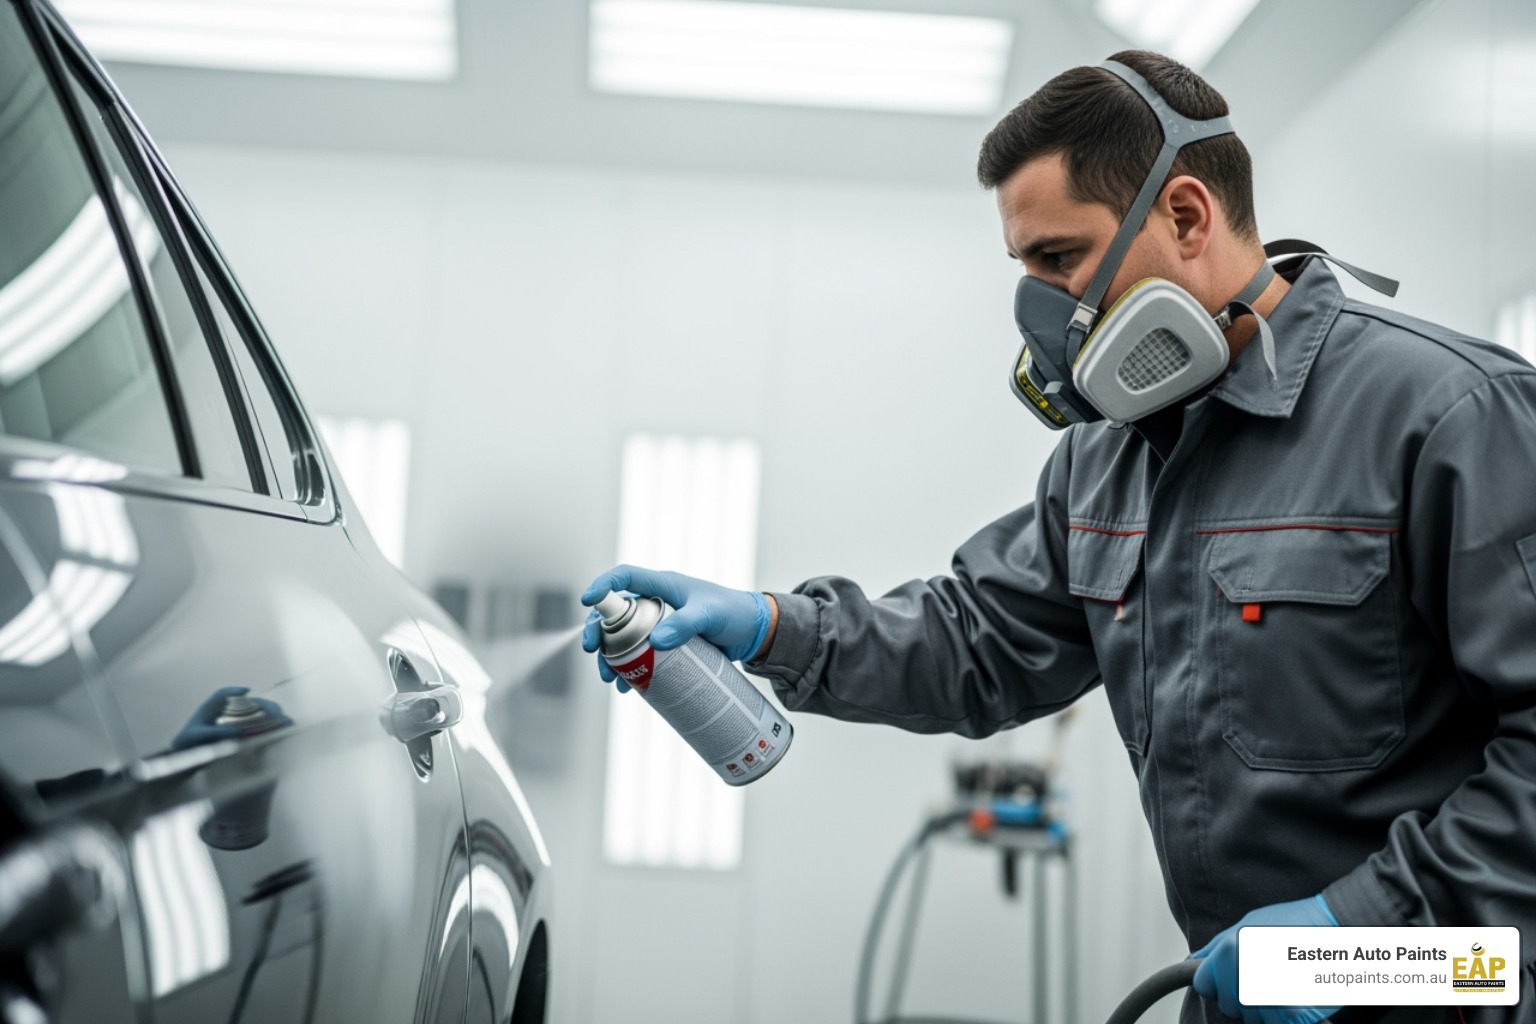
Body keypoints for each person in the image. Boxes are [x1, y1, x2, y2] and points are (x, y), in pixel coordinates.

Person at [582, 50, 1536, 1024]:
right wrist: (771, 625)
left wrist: (1355, 935)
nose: (1044, 309)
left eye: (1058, 259)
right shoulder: (1105, 460)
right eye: (1024, 267)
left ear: (1188, 216)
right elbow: (973, 642)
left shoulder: (1451, 414)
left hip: (1455, 995)